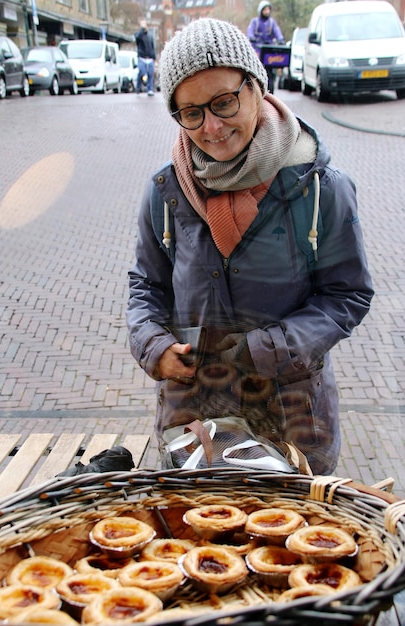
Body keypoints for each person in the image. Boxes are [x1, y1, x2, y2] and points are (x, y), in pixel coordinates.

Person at [127, 18, 374, 475]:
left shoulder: (322, 188)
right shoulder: (165, 191)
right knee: (199, 536)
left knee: (293, 536)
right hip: (194, 416)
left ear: (256, 86)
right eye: (192, 112)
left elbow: (348, 294)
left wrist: (273, 347)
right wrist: (151, 343)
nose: (211, 127)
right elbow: (146, 285)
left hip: (292, 415)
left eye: (223, 102)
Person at [247, 1, 285, 93]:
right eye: (265, 9)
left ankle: (271, 86)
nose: (267, 11)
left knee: (271, 68)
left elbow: (277, 32)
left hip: (268, 51)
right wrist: (251, 37)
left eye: (268, 9)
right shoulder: (255, 22)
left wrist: (280, 40)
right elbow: (250, 31)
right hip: (258, 50)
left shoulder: (272, 23)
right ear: (261, 10)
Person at [134, 19, 156, 96]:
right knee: (142, 73)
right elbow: (137, 38)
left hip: (149, 58)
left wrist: (154, 57)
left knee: (150, 73)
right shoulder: (138, 34)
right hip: (141, 57)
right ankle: (138, 87)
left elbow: (152, 46)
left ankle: (149, 89)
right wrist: (141, 29)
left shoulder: (150, 35)